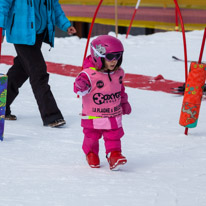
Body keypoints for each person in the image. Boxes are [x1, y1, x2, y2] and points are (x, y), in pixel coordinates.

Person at [0, 0, 76, 127]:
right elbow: (2, 6)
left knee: (20, 71)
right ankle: (51, 115)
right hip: (21, 33)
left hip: (38, 33)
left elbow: (54, 6)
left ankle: (1, 104)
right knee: (38, 71)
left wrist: (65, 24)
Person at [74, 35, 132, 170]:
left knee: (114, 136)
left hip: (113, 114)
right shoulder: (88, 74)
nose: (114, 61)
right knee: (91, 137)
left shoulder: (119, 73)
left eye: (118, 56)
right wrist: (80, 85)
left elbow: (120, 89)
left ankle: (114, 155)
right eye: (110, 57)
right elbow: (78, 90)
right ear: (97, 56)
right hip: (93, 115)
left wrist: (124, 103)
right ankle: (91, 153)